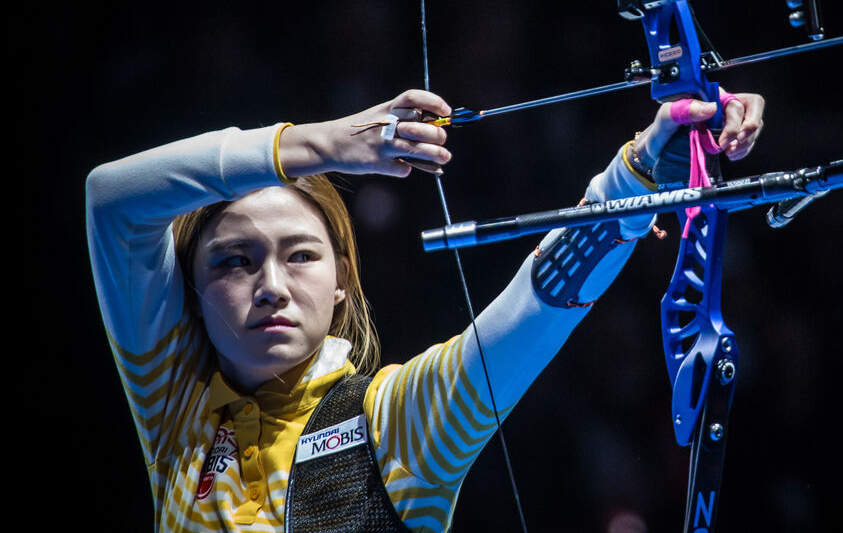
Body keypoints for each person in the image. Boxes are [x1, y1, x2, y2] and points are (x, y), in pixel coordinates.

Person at [85, 87, 764, 533]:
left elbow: (540, 300)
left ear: (342, 281)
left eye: (300, 256)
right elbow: (110, 199)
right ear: (193, 294)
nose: (270, 285)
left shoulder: (396, 419)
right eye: (233, 260)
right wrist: (320, 144)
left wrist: (644, 169)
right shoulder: (176, 409)